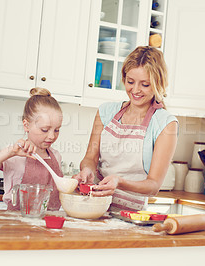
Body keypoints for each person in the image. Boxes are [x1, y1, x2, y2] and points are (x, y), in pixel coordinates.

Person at [73, 46, 178, 212]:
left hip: (132, 215)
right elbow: (90, 158)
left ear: (158, 83)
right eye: (130, 82)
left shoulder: (165, 123)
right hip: (94, 207)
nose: (135, 90)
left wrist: (119, 182)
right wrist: (86, 171)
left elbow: (153, 186)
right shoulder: (106, 112)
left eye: (145, 84)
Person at [0, 88, 64, 211]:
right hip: (17, 223)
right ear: (26, 125)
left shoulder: (56, 156)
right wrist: (10, 152)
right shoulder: (15, 155)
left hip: (49, 224)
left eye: (56, 130)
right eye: (44, 130)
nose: (52, 136)